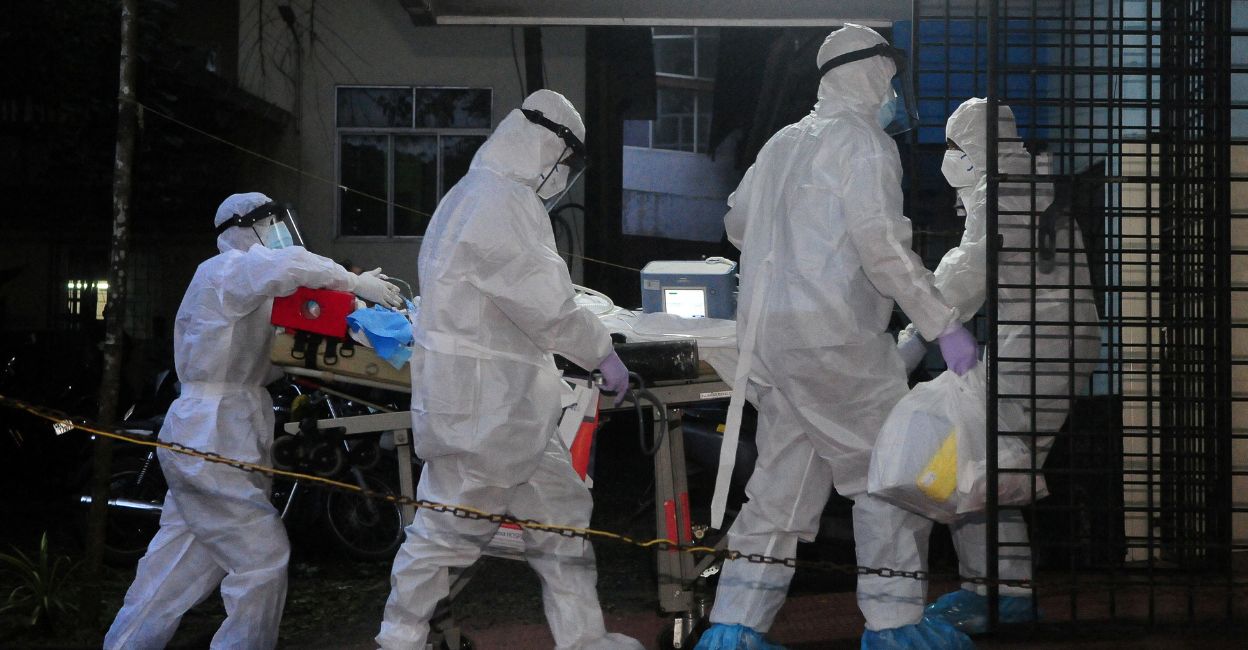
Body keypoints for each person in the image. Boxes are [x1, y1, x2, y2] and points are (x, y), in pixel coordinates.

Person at [695, 24, 979, 650]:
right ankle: (895, 626)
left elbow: (738, 224)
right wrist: (944, 326)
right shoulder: (864, 144)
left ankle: (734, 629)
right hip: (838, 344)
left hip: (770, 346)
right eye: (890, 78)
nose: (895, 93)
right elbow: (883, 249)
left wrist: (792, 238)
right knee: (886, 481)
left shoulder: (781, 143)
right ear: (872, 73)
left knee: (779, 488)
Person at [375, 89, 641, 650]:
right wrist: (601, 352)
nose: (562, 179)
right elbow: (544, 301)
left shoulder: (473, 195)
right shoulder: (500, 201)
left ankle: (583, 638)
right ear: (546, 149)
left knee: (562, 519)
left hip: (508, 409)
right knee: (448, 533)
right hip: (485, 411)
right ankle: (399, 639)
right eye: (564, 166)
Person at [104, 192, 403, 649]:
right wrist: (350, 281)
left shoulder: (249, 288)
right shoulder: (225, 271)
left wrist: (357, 314)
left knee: (174, 567)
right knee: (262, 559)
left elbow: (284, 334)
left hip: (223, 430)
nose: (277, 236)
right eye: (269, 225)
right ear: (246, 228)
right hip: (212, 433)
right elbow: (289, 266)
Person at [892, 98, 1100, 634]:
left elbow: (969, 270)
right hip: (1043, 338)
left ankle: (1003, 592)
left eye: (953, 147)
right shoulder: (1021, 182)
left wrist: (918, 336)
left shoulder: (1003, 190)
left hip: (1041, 341)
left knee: (976, 462)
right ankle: (993, 588)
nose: (947, 159)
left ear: (972, 148)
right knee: (987, 463)